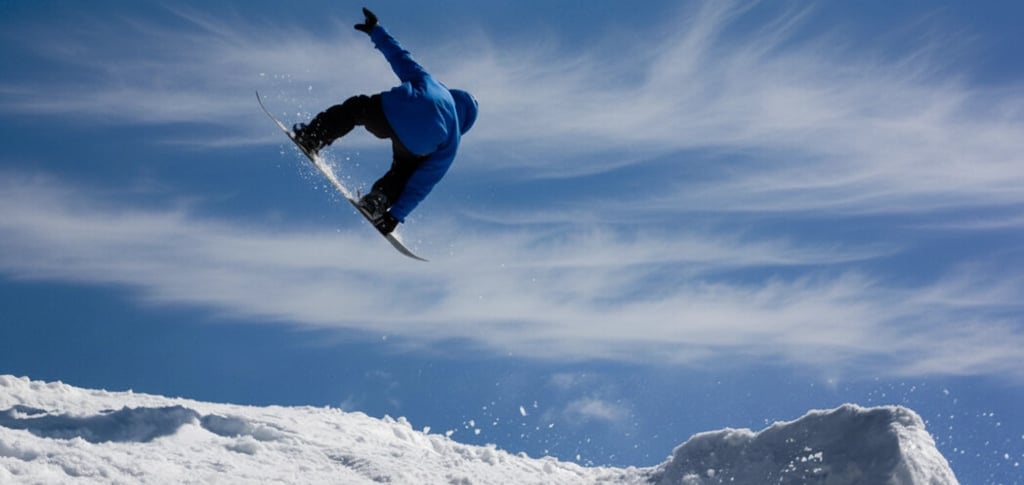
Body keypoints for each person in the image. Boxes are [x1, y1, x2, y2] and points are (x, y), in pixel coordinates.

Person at [292, 8, 478, 235]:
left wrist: (376, 31)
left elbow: (400, 57)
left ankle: (313, 136)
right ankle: (377, 201)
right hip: (416, 145)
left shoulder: (433, 83)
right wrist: (395, 216)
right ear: (465, 123)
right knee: (404, 172)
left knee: (356, 109)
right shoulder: (453, 137)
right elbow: (424, 182)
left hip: (391, 111)